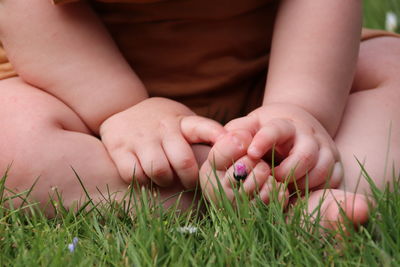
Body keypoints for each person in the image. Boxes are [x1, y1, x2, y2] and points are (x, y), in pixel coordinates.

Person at [0, 0, 398, 228]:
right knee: (10, 134)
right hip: (89, 99)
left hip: (278, 70)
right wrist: (120, 107)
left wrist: (299, 108)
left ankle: (305, 176)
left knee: (392, 68)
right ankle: (235, 189)